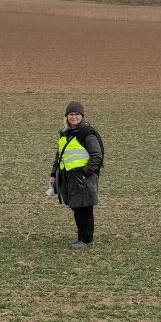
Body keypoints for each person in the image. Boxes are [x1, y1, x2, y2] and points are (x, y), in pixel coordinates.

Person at [50, 101, 103, 249]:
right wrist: (54, 173)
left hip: (82, 178)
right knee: (77, 208)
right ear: (66, 117)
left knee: (85, 209)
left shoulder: (87, 133)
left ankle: (86, 240)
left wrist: (85, 173)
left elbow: (96, 156)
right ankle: (81, 238)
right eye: (71, 114)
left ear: (82, 116)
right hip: (69, 178)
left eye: (77, 114)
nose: (74, 117)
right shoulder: (65, 133)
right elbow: (59, 155)